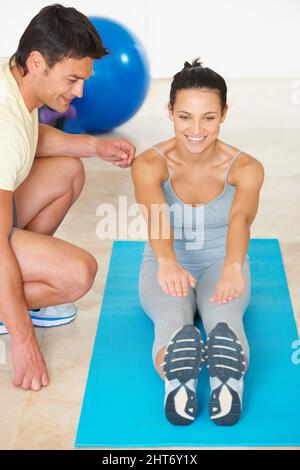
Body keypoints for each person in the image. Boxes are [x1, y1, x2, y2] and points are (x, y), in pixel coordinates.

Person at [0, 4, 135, 392]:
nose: (79, 92)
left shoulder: (14, 78)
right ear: (38, 61)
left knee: (68, 170)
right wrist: (23, 341)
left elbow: (31, 137)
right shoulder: (4, 124)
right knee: (78, 273)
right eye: (73, 79)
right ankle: (9, 310)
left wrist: (94, 147)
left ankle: (12, 294)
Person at [131, 59, 264, 426]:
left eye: (208, 117)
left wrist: (234, 266)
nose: (196, 129)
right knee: (173, 322)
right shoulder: (149, 163)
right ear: (170, 112)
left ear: (224, 114)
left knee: (224, 318)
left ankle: (228, 381)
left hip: (222, 261)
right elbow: (156, 213)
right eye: (185, 116)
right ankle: (178, 381)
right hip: (165, 260)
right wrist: (167, 263)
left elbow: (240, 219)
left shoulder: (246, 167)